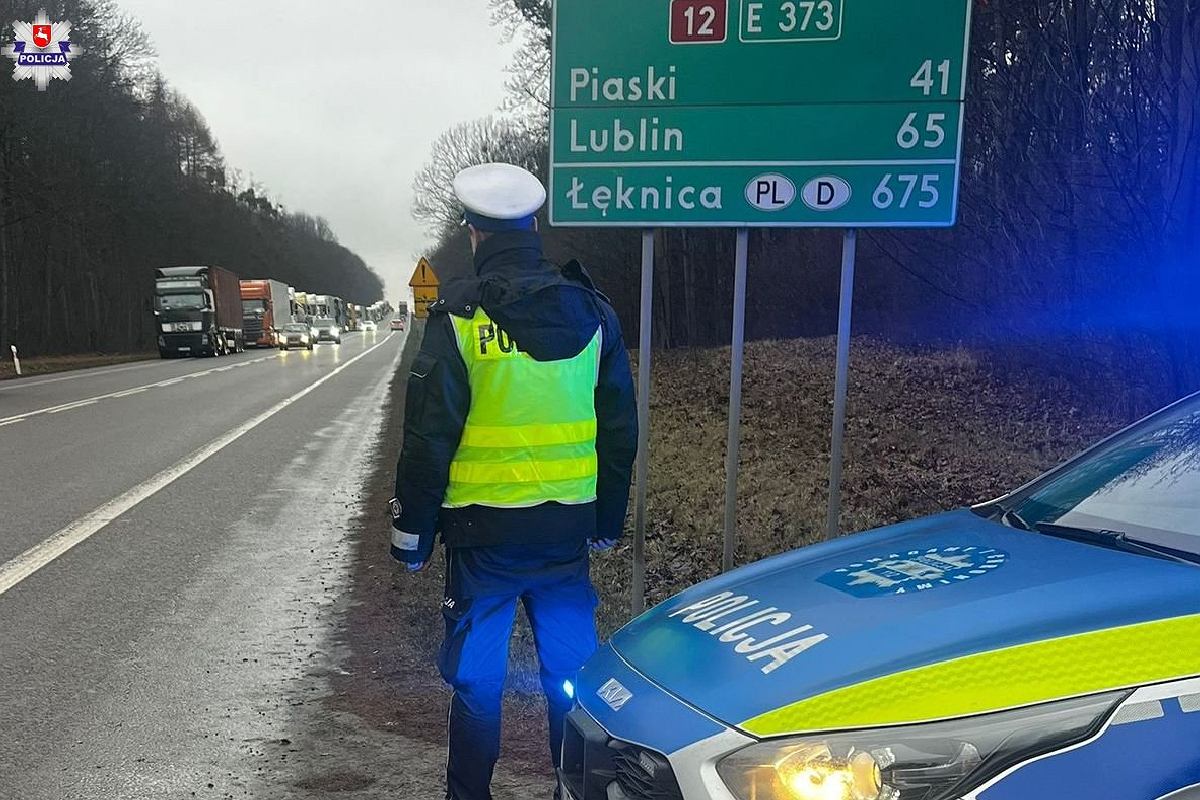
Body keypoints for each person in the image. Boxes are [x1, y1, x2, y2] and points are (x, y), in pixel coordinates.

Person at [389, 163, 639, 800]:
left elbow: (428, 438)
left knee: (478, 686)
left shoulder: (459, 319)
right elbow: (618, 431)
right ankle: (573, 791)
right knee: (571, 678)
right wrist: (608, 522)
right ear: (534, 227)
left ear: (474, 234)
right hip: (565, 541)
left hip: (484, 545)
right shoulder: (594, 313)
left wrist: (411, 535)